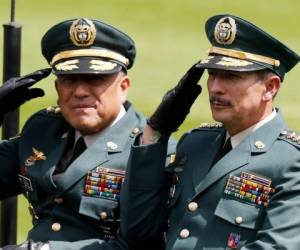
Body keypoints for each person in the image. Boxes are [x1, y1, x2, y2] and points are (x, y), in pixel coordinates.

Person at [120, 14, 300, 249]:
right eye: (212, 74)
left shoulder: (291, 162)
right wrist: (155, 132)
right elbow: (138, 232)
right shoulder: (195, 144)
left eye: (231, 76)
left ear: (270, 87)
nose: (215, 88)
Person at [0, 18, 176, 250]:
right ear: (57, 88)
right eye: (69, 80)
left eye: (95, 79)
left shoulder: (150, 151)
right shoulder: (43, 130)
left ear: (123, 87)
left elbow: (139, 245)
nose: (80, 91)